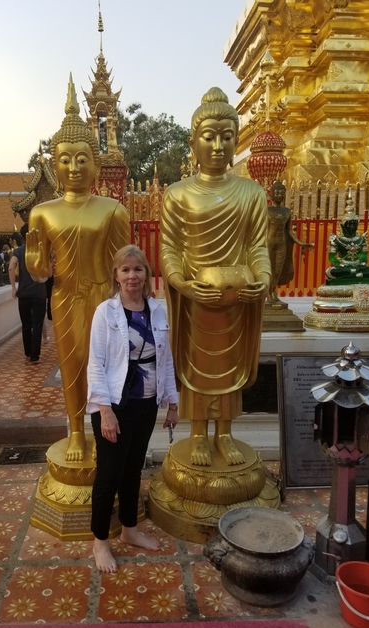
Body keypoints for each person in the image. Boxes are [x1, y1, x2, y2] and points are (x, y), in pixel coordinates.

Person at [160, 87, 271, 468]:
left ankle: (224, 433)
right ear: (193, 142)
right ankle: (197, 435)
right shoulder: (177, 194)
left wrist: (263, 277)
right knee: (196, 369)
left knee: (230, 368)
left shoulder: (251, 193)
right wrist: (181, 283)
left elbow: (258, 245)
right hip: (196, 299)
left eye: (227, 136)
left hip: (237, 299)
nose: (218, 145)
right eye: (209, 136)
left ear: (237, 140)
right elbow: (170, 248)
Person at [26, 75, 130, 462]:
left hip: (105, 297)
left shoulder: (113, 209)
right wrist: (36, 255)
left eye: (82, 158)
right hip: (66, 295)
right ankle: (75, 431)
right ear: (54, 165)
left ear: (96, 163)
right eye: (64, 160)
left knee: (107, 364)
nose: (73, 167)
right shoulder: (42, 212)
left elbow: (126, 264)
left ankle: (108, 426)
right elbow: (38, 272)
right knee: (71, 364)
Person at [87, 245, 179, 573]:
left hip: (147, 402)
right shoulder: (106, 312)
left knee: (133, 470)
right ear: (116, 275)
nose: (132, 276)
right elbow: (95, 363)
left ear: (147, 274)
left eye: (138, 269)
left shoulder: (157, 310)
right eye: (125, 270)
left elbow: (164, 359)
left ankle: (129, 529)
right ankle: (100, 542)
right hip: (114, 404)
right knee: (109, 474)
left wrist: (172, 402)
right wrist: (105, 411)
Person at [267, 181, 313, 303]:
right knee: (269, 269)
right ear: (270, 195)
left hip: (282, 244)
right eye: (276, 192)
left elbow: (289, 231)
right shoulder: (267, 210)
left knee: (278, 270)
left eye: (282, 193)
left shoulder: (287, 211)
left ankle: (273, 291)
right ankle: (268, 293)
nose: (279, 195)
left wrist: (301, 243)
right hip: (268, 244)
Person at [9, 223, 48, 364]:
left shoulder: (18, 251)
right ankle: (35, 356)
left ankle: (28, 351)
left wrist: (14, 287)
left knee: (26, 324)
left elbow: (11, 267)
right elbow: (49, 271)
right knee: (37, 324)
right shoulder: (41, 251)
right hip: (39, 293)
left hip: (23, 293)